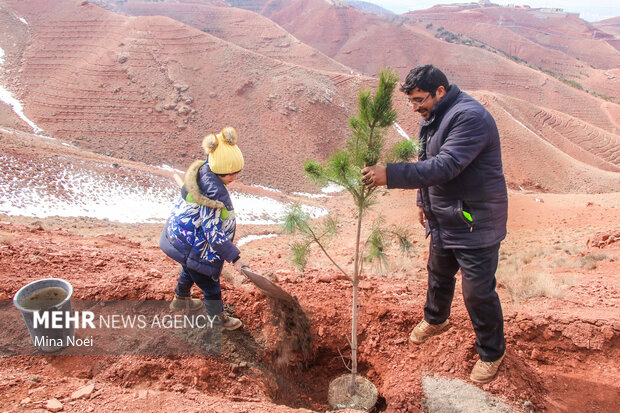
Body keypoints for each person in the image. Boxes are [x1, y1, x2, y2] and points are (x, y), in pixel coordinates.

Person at [361, 64, 508, 384]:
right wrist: (422, 203)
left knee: (477, 292)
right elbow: (426, 163)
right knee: (438, 273)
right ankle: (436, 319)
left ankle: (492, 352)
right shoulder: (434, 117)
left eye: (419, 100)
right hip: (446, 216)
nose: (415, 108)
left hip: (474, 220)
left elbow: (447, 166)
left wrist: (390, 174)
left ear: (440, 91)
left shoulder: (469, 118)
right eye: (411, 102)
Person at [160, 126, 247, 330]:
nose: (234, 177)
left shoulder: (205, 171)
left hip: (182, 238)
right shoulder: (213, 193)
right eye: (230, 174)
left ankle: (181, 299)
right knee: (209, 283)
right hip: (196, 244)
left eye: (237, 173)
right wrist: (235, 257)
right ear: (219, 170)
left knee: (190, 268)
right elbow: (212, 232)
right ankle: (218, 320)